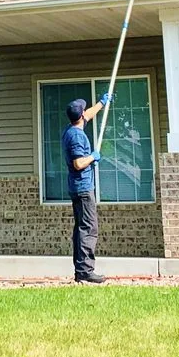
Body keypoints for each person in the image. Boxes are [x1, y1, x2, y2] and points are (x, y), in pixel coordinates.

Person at [62, 94, 112, 284]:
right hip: (83, 188)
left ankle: (81, 270)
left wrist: (102, 103)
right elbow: (78, 163)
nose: (86, 113)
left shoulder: (71, 129)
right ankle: (85, 271)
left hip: (77, 187)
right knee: (88, 228)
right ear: (81, 115)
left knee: (81, 228)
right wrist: (92, 157)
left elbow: (88, 115)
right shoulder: (77, 136)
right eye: (84, 111)